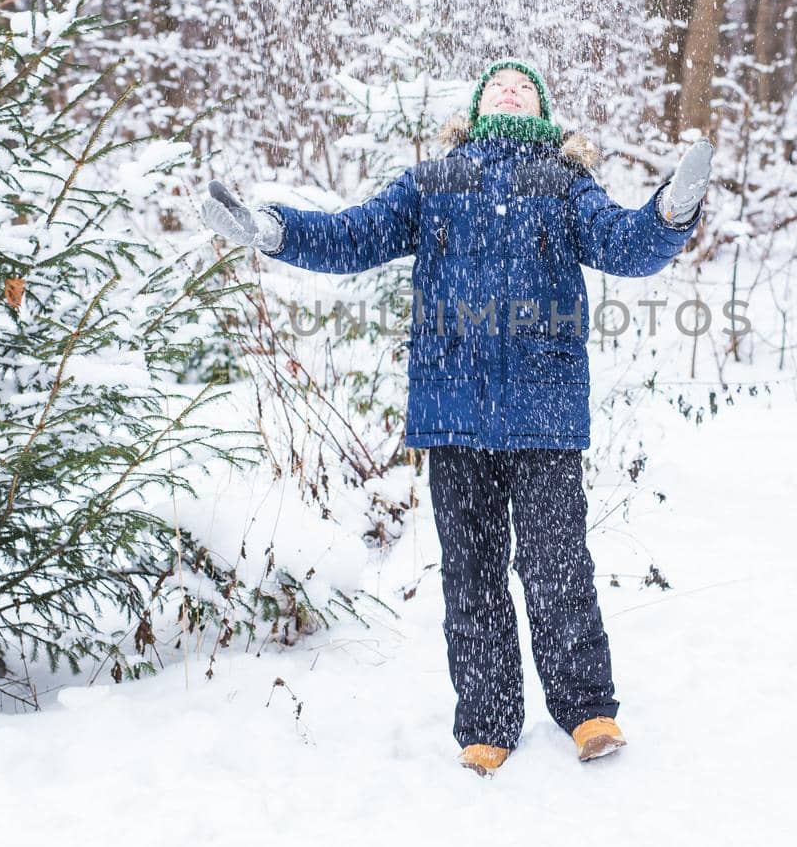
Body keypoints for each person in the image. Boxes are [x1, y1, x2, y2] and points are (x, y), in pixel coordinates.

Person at [200, 58, 711, 777]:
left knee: (556, 566)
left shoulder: (565, 183)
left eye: (523, 84)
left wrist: (670, 211)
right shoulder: (435, 181)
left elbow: (626, 245)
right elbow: (356, 235)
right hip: (454, 410)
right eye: (497, 83)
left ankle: (589, 709)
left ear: (542, 109)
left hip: (543, 412)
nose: (510, 87)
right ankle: (488, 722)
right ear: (472, 109)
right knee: (471, 576)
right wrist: (272, 231)